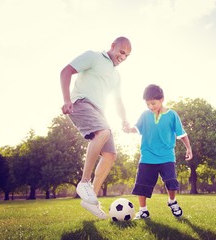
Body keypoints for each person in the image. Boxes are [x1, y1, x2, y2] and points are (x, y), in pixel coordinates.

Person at [60, 36, 132, 219]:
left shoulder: (116, 76)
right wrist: (67, 100)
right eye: (121, 52)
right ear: (113, 46)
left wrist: (124, 119)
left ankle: (91, 200)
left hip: (100, 112)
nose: (123, 57)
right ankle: (84, 182)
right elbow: (65, 71)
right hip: (81, 103)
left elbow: (118, 100)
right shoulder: (93, 57)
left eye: (127, 55)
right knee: (104, 132)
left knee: (110, 156)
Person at [125, 84, 193, 219]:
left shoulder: (172, 115)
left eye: (153, 103)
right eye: (148, 104)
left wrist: (188, 148)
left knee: (171, 181)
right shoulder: (145, 115)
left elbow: (182, 134)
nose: (151, 106)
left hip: (167, 156)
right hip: (147, 156)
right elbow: (137, 129)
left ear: (162, 99)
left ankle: (172, 202)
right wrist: (128, 129)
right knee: (142, 184)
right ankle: (143, 210)